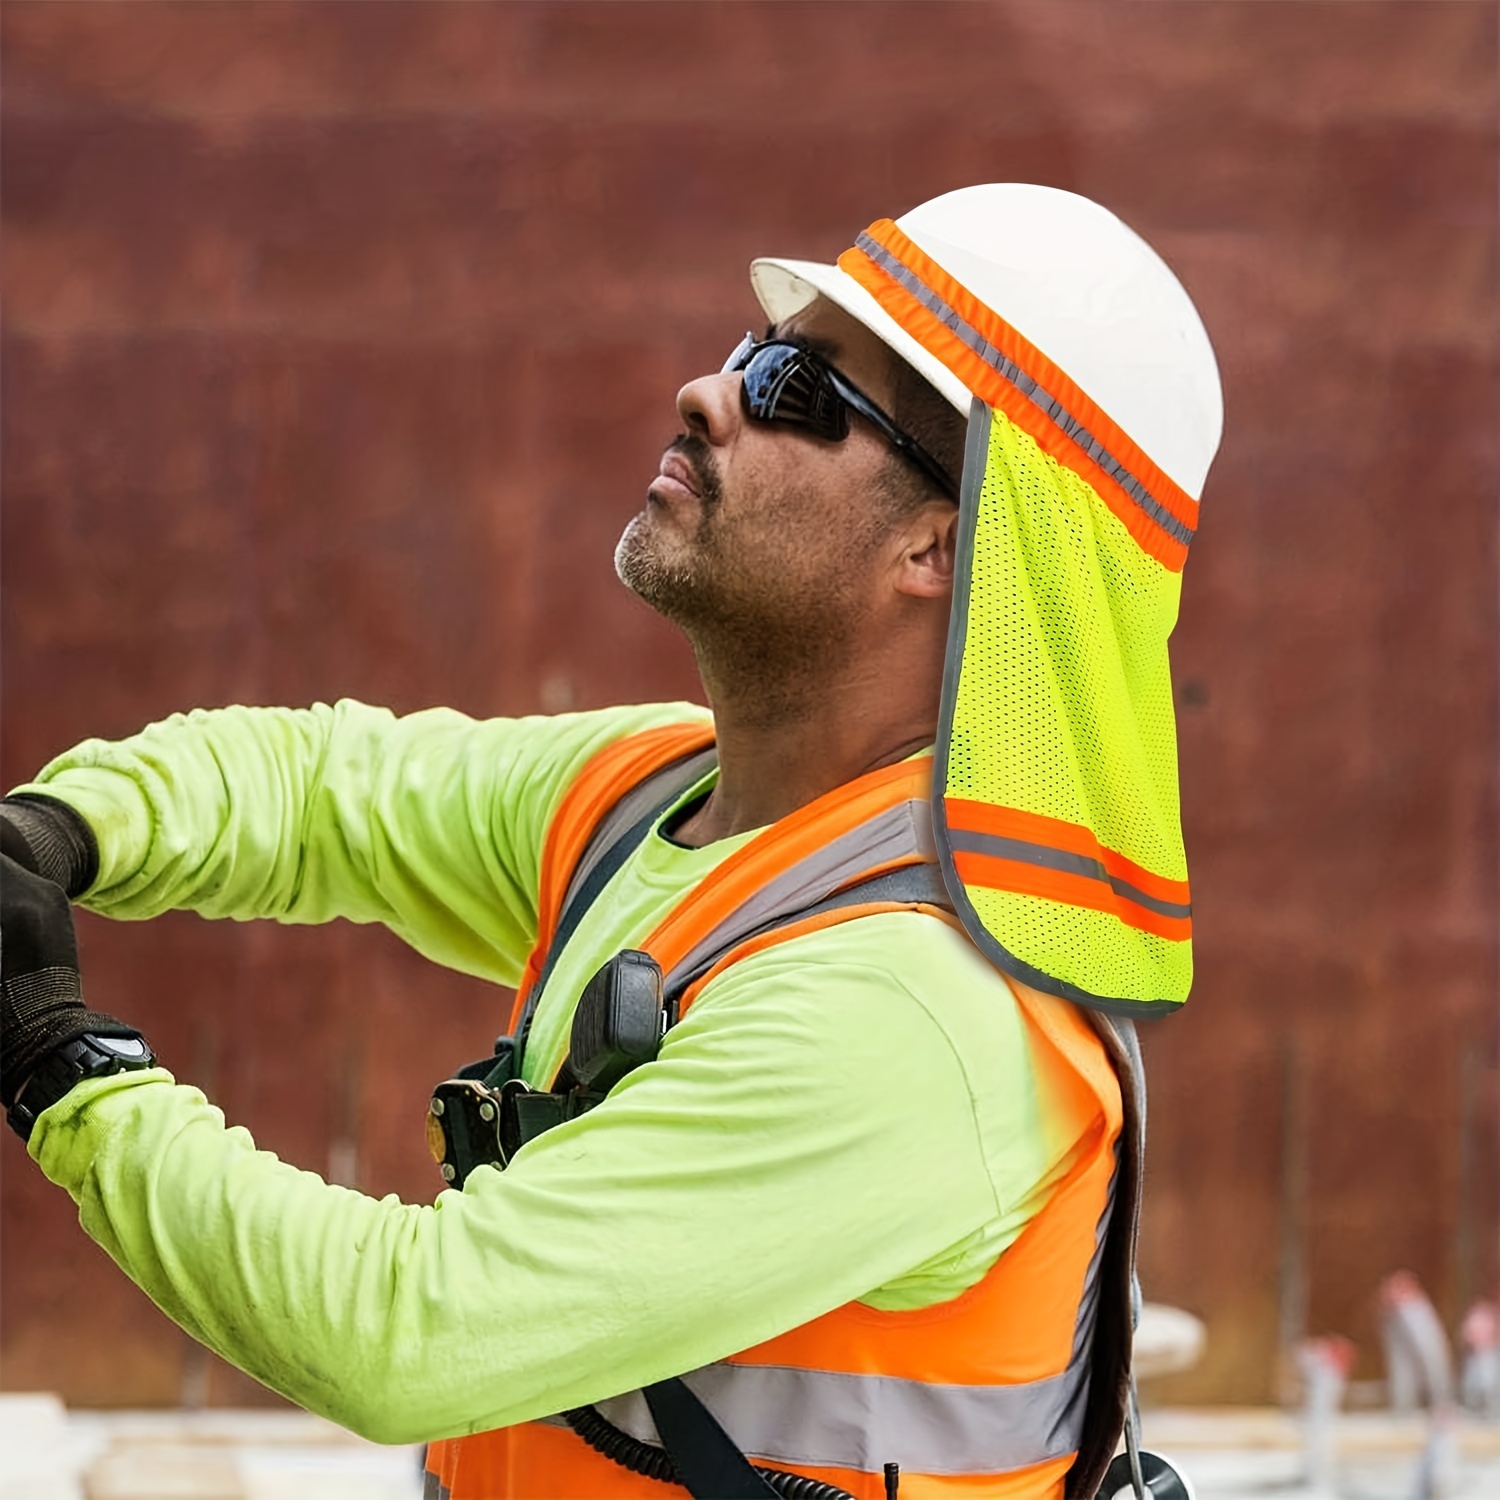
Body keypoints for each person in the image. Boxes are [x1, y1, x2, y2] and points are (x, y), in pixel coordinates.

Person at [0, 184, 1222, 1500]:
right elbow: (324, 786)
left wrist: (60, 1070)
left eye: (801, 388)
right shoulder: (664, 794)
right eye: (758, 352)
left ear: (942, 540)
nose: (710, 391)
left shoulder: (919, 1006)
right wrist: (52, 832)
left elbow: (406, 1335)